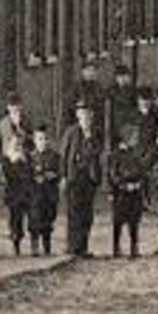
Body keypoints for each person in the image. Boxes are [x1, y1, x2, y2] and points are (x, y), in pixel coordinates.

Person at [60, 101, 104, 257]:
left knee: (87, 214)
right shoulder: (71, 132)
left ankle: (83, 246)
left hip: (89, 178)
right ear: (78, 116)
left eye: (88, 114)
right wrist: (64, 175)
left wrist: (90, 138)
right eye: (82, 114)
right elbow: (64, 156)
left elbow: (98, 152)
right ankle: (72, 246)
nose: (85, 117)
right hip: (74, 177)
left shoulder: (96, 133)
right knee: (73, 212)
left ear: (92, 116)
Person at [107, 123, 150, 259]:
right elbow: (113, 175)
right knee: (118, 221)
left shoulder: (135, 155)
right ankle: (116, 247)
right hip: (121, 194)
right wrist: (124, 186)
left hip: (135, 193)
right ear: (127, 138)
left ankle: (134, 247)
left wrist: (139, 185)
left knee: (134, 221)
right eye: (134, 137)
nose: (136, 139)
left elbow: (143, 173)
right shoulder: (115, 155)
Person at [28, 126, 61, 257]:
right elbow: (25, 174)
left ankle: (47, 246)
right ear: (35, 141)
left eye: (46, 139)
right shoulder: (30, 157)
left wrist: (53, 175)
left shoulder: (55, 156)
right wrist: (35, 177)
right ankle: (34, 246)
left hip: (50, 193)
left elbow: (60, 172)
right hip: (35, 194)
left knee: (49, 219)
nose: (44, 141)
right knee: (35, 219)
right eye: (40, 139)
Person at [0, 135, 35, 256]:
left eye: (19, 144)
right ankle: (16, 245)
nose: (17, 147)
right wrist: (15, 162)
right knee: (15, 219)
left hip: (26, 193)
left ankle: (33, 245)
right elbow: (7, 175)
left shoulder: (27, 158)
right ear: (9, 145)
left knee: (29, 218)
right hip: (13, 194)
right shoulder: (6, 158)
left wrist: (24, 162)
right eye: (14, 144)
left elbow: (31, 173)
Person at [0, 93, 31, 175]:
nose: (15, 108)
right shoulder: (3, 123)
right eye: (12, 105)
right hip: (7, 158)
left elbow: (30, 140)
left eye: (17, 105)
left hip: (22, 158)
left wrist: (19, 126)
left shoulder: (26, 122)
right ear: (8, 107)